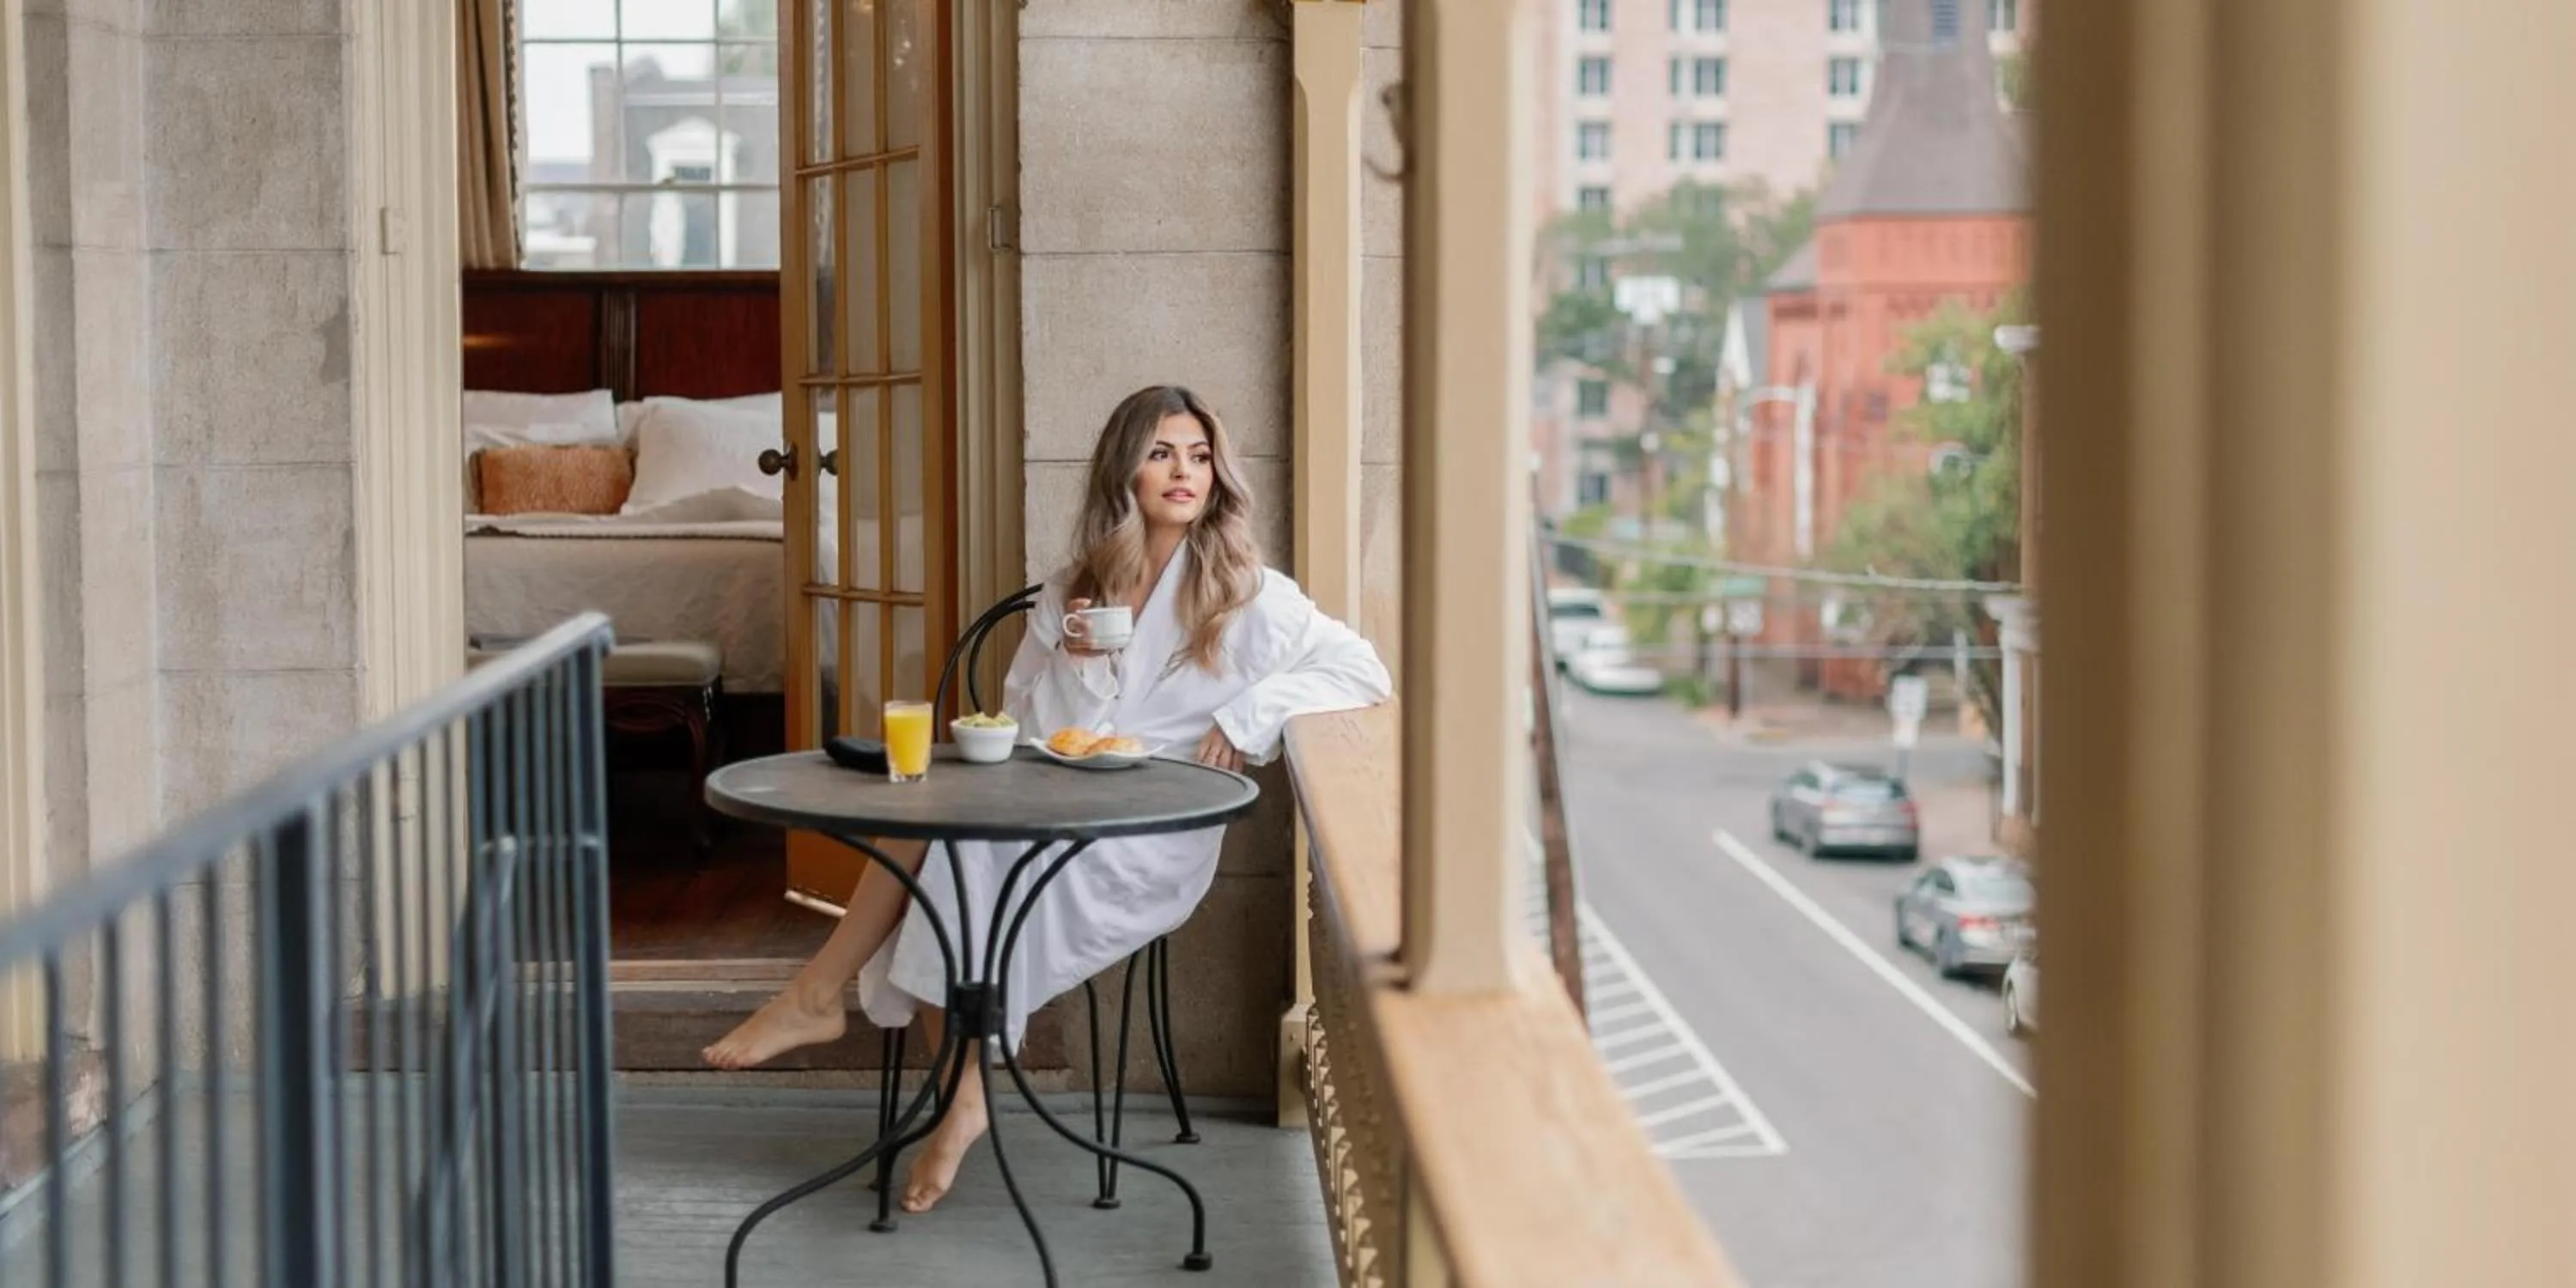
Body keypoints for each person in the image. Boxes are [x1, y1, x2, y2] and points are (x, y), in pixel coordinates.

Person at [701, 384, 1393, 1213]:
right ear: (1125, 471)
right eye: (1161, 454)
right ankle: (950, 1091)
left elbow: (1363, 670)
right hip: (1049, 802)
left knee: (955, 853)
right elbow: (1022, 726)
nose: (1184, 472)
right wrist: (1073, 661)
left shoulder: (1250, 594)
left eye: (1200, 456)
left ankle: (844, 1013)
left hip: (1149, 834)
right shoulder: (1072, 590)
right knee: (949, 839)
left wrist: (1246, 715)